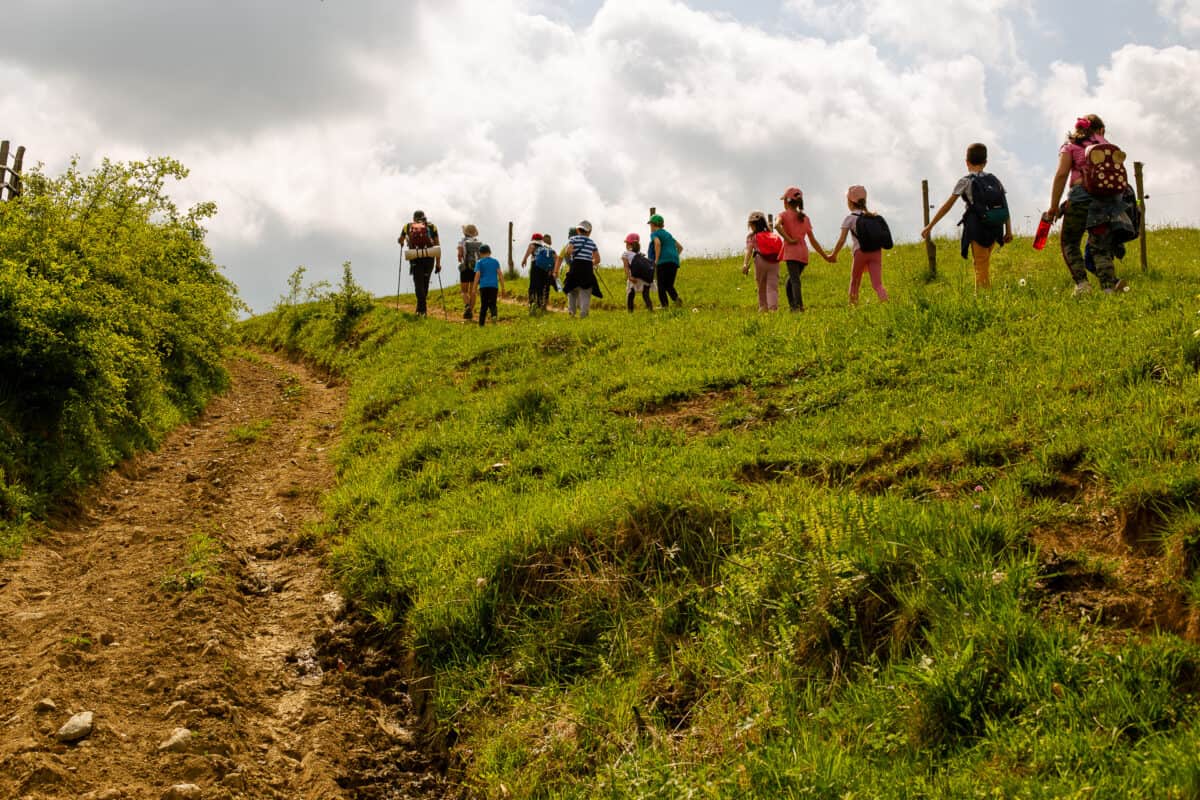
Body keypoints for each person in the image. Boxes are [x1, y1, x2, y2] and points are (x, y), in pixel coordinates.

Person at [1045, 114, 1128, 295]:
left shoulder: (1071, 146)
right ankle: (1108, 288)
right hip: (1106, 202)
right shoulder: (1108, 146)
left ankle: (1082, 285)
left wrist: (1053, 206)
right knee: (1100, 247)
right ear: (1101, 130)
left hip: (1080, 200)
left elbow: (1061, 175)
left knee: (1070, 242)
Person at [920, 143, 1013, 289]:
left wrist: (930, 225)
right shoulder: (995, 180)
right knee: (984, 264)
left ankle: (984, 302)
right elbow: (1004, 205)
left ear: (967, 162)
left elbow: (947, 206)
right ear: (985, 162)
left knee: (981, 266)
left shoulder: (965, 181)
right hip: (996, 227)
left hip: (978, 228)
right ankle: (984, 298)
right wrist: (1009, 230)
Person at [825, 186, 889, 305]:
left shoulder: (850, 218)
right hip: (876, 252)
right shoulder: (873, 217)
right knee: (877, 284)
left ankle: (853, 308)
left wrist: (833, 254)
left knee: (855, 282)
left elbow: (841, 240)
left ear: (850, 202)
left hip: (860, 252)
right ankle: (886, 303)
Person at [775, 187, 830, 312]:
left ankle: (799, 308)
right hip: (803, 254)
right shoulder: (805, 218)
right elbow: (813, 240)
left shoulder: (783, 215)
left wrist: (788, 239)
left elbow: (777, 225)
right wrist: (825, 256)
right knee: (790, 281)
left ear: (786, 202)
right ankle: (793, 307)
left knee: (794, 281)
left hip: (792, 253)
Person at [397, 210, 441, 316]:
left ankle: (421, 309)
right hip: (430, 257)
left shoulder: (407, 226)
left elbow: (401, 239)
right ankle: (421, 308)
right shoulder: (432, 226)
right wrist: (438, 264)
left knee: (418, 283)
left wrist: (401, 241)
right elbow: (437, 245)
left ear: (414, 218)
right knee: (425, 283)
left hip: (415, 257)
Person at [743, 211, 782, 312]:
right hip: (775, 262)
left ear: (752, 225)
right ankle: (773, 309)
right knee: (772, 287)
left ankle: (763, 307)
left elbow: (749, 250)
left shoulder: (752, 237)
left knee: (761, 286)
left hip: (760, 261)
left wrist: (745, 264)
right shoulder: (771, 235)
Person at [562, 220, 602, 318]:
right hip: (587, 268)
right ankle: (584, 314)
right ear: (589, 232)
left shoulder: (573, 239)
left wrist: (573, 255)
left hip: (575, 266)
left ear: (578, 230)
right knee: (586, 292)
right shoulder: (592, 243)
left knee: (572, 291)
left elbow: (568, 251)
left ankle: (572, 313)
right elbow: (597, 259)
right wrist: (589, 262)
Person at [647, 214, 683, 308]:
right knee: (669, 285)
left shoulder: (654, 234)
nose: (650, 227)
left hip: (663, 262)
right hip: (674, 261)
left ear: (653, 225)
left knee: (661, 285)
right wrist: (674, 256)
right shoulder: (668, 234)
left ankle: (664, 306)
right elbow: (680, 247)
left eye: (650, 225)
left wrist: (657, 260)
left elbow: (657, 243)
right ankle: (676, 299)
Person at [621, 233, 654, 312]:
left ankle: (630, 312)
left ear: (629, 244)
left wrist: (629, 277)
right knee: (646, 295)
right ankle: (650, 310)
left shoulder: (626, 254)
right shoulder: (640, 254)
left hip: (634, 277)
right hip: (644, 277)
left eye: (626, 243)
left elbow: (626, 267)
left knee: (631, 294)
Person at [473, 244, 504, 327]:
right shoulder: (495, 262)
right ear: (490, 252)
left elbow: (477, 275)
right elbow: (500, 274)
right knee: (493, 304)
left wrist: (474, 288)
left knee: (484, 305)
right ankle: (494, 315)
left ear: (480, 253)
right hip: (494, 286)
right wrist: (503, 287)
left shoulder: (479, 262)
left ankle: (481, 324)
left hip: (483, 287)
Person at [457, 224, 481, 319]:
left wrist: (461, 258)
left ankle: (467, 306)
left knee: (464, 291)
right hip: (476, 269)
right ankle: (470, 311)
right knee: (473, 291)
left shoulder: (462, 242)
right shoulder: (478, 242)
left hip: (466, 268)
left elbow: (460, 256)